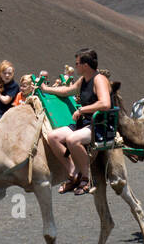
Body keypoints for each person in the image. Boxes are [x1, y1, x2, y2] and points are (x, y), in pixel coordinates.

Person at [38, 49, 111, 195]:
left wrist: (82, 110)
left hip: (99, 124)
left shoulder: (99, 79)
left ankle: (86, 177)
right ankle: (73, 173)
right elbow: (67, 91)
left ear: (85, 65)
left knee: (72, 139)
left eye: (77, 63)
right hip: (84, 123)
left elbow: (105, 103)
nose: (75, 66)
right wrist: (46, 89)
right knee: (52, 137)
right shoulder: (83, 80)